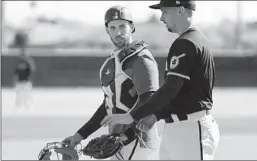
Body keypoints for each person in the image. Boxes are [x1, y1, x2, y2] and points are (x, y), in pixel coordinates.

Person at [100, 0, 220, 160]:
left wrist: (132, 116)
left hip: (191, 128)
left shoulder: (186, 43)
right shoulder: (194, 40)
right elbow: (181, 92)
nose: (162, 18)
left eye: (165, 12)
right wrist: (156, 115)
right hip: (179, 128)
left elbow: (171, 88)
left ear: (180, 10)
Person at [62, 5, 160, 160]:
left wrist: (125, 137)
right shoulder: (112, 62)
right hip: (118, 141)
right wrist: (79, 136)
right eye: (112, 27)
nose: (118, 32)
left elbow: (149, 104)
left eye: (122, 26)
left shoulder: (141, 59)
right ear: (107, 30)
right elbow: (107, 107)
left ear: (132, 27)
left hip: (138, 143)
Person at [13, 29, 36, 112]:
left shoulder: (28, 61)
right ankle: (19, 106)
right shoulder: (18, 61)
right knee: (19, 95)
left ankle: (29, 107)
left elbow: (32, 70)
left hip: (26, 81)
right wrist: (15, 79)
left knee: (28, 95)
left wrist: (30, 79)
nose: (22, 55)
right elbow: (15, 71)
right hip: (20, 81)